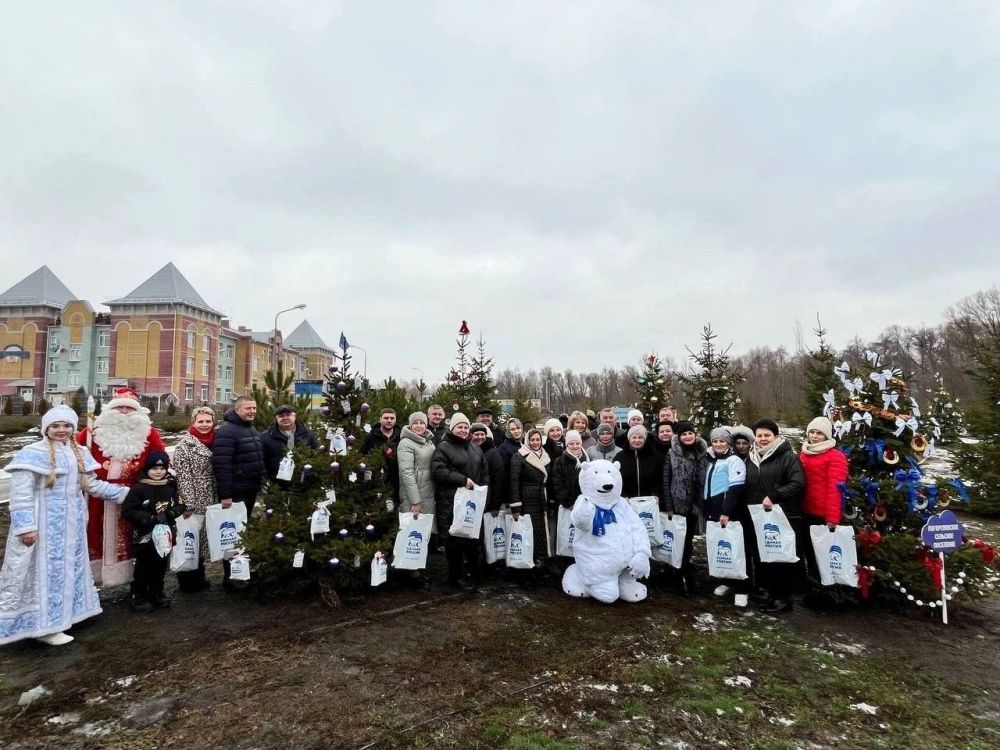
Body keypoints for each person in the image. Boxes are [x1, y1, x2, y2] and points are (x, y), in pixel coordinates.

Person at [1, 405, 128, 646]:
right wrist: (26, 527)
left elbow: (92, 486)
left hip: (72, 525)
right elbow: (21, 496)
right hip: (44, 527)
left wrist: (126, 493)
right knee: (45, 574)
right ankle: (45, 626)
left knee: (70, 569)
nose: (62, 430)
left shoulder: (78, 452)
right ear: (46, 428)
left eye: (67, 425)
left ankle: (70, 614)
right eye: (56, 426)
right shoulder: (32, 453)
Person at [76, 386, 165, 586]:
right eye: (119, 408)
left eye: (129, 408)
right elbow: (75, 452)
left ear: (138, 411)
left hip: (136, 496)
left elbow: (161, 457)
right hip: (98, 495)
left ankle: (136, 582)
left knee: (135, 539)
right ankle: (93, 578)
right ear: (110, 410)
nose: (124, 412)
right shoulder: (92, 431)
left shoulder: (149, 433)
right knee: (95, 533)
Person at [740, 418, 806, 614]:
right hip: (759, 515)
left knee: (780, 557)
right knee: (765, 556)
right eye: (759, 435)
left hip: (783, 515)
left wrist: (775, 495)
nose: (763, 439)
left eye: (767, 435)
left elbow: (798, 484)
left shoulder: (787, 457)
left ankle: (783, 598)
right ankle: (771, 593)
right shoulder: (751, 457)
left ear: (776, 436)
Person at [431, 413, 489, 591]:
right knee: (454, 542)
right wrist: (462, 480)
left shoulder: (474, 447)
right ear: (452, 429)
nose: (463, 430)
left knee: (472, 540)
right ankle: (454, 578)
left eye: (465, 427)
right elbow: (438, 470)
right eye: (460, 427)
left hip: (473, 501)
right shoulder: (443, 447)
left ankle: (472, 575)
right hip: (452, 501)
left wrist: (483, 488)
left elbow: (484, 470)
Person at [212, 395, 265, 588]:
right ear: (237, 410)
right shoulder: (227, 432)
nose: (252, 411)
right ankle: (231, 576)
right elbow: (222, 465)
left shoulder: (249, 428)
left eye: (254, 408)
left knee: (242, 533)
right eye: (248, 408)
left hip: (249, 490)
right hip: (235, 493)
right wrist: (226, 494)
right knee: (232, 535)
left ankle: (242, 569)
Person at [123, 452, 185, 612]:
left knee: (160, 565)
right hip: (145, 536)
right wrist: (149, 517)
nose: (158, 472)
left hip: (165, 535)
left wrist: (171, 513)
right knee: (143, 566)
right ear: (147, 469)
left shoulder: (170, 486)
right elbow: (128, 511)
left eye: (162, 468)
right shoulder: (138, 488)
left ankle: (157, 592)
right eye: (154, 468)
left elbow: (180, 504)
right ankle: (139, 595)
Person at [799, 416, 849, 589]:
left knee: (823, 554)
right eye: (812, 432)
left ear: (827, 436)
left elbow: (836, 489)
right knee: (809, 552)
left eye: (819, 433)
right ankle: (813, 586)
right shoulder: (804, 453)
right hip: (804, 511)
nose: (814, 436)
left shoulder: (836, 457)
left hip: (821, 514)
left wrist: (833, 517)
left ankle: (825, 591)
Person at [171, 405, 217, 592]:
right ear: (193, 423)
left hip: (212, 496)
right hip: (195, 497)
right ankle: (187, 580)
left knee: (203, 538)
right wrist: (188, 504)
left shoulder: (215, 441)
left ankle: (199, 575)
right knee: (191, 537)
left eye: (208, 421)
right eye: (201, 421)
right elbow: (183, 477)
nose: (205, 425)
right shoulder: (185, 446)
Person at [661, 421, 709, 595]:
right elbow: (666, 480)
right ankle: (677, 574)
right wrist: (669, 506)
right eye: (684, 434)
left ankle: (687, 571)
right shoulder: (671, 454)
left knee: (689, 541)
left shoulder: (703, 453)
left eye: (690, 433)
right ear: (678, 437)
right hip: (678, 504)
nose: (688, 437)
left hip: (696, 505)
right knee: (677, 541)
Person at [701, 427, 747, 604]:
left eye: (722, 441)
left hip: (728, 511)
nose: (718, 444)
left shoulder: (733, 460)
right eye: (715, 441)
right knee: (721, 546)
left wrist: (726, 511)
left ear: (728, 443)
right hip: (713, 509)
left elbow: (736, 489)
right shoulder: (710, 460)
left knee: (736, 548)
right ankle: (726, 581)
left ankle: (742, 587)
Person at [397, 411, 438, 586]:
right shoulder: (405, 444)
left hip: (429, 494)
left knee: (423, 533)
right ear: (410, 425)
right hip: (415, 497)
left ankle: (419, 568)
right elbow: (406, 474)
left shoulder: (428, 441)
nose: (419, 426)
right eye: (416, 423)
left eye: (422, 423)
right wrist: (415, 501)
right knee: (412, 533)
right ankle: (411, 573)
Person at [509, 428, 552, 570]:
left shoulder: (546, 456)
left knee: (540, 533)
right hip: (527, 500)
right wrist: (516, 506)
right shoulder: (519, 456)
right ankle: (527, 564)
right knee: (528, 532)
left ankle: (539, 561)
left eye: (538, 439)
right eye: (532, 440)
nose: (535, 442)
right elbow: (513, 481)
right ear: (527, 440)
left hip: (541, 501)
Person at [260, 405, 321, 482]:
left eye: (288, 415)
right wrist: (267, 481)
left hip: (305, 483)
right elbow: (262, 462)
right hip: (277, 486)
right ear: (276, 418)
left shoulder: (308, 434)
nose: (285, 418)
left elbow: (317, 455)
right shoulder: (265, 437)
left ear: (295, 416)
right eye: (281, 416)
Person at [362, 408, 401, 499]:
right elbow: (363, 456)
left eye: (392, 418)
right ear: (380, 419)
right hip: (376, 481)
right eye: (386, 418)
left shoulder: (401, 436)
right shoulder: (371, 436)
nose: (389, 421)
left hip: (396, 481)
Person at [619, 425, 664, 501]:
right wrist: (623, 495)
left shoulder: (656, 456)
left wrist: (656, 494)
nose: (637, 440)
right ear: (629, 439)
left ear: (645, 439)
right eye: (634, 437)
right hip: (628, 501)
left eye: (640, 437)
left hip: (650, 501)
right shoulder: (620, 457)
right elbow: (617, 479)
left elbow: (660, 479)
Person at [551, 429, 589, 510]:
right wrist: (568, 502)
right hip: (568, 505)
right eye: (571, 444)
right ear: (567, 445)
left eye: (577, 443)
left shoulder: (587, 459)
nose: (575, 446)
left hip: (585, 503)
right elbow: (558, 484)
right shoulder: (560, 461)